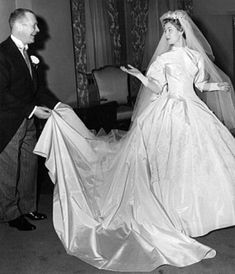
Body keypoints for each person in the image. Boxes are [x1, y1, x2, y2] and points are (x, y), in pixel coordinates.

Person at [34, 10, 235, 272]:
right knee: (168, 163)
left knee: (199, 162)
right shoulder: (164, 59)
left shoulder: (196, 56)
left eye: (170, 31)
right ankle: (175, 218)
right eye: (165, 31)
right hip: (169, 111)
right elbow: (156, 87)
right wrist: (139, 77)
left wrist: (217, 87)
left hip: (193, 110)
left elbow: (200, 84)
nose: (166, 35)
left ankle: (197, 214)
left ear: (182, 31)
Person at [0, 8, 69, 231]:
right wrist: (32, 110)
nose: (38, 30)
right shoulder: (2, 53)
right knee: (9, 170)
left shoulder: (27, 53)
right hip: (9, 123)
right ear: (19, 26)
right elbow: (2, 93)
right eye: (34, 26)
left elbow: (35, 90)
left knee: (30, 164)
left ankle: (27, 207)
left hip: (28, 120)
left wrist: (59, 106)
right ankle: (11, 213)